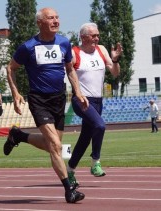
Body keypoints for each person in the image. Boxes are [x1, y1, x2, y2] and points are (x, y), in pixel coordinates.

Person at [3, 7, 88, 203]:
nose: (56, 21)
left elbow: (70, 70)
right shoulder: (28, 47)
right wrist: (15, 93)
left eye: (57, 17)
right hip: (39, 99)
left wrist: (78, 91)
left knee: (53, 146)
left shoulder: (64, 43)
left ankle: (18, 136)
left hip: (59, 98)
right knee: (56, 146)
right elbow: (10, 68)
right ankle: (69, 190)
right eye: (51, 18)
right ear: (40, 23)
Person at [66, 23, 123, 187]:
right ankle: (95, 162)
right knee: (100, 126)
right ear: (83, 37)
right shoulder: (74, 52)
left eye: (98, 35)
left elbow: (115, 73)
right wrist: (78, 93)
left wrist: (115, 59)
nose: (97, 38)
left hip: (98, 100)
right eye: (93, 36)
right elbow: (69, 73)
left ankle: (69, 171)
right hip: (81, 100)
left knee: (85, 138)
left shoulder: (102, 50)